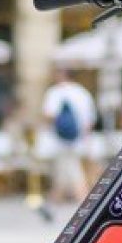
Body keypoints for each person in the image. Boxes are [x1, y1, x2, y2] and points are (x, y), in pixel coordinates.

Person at [41, 67, 97, 205]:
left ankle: (82, 198)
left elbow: (49, 115)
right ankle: (56, 199)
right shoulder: (82, 92)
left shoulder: (55, 92)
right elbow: (90, 120)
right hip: (79, 138)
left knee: (71, 168)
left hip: (60, 139)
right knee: (64, 168)